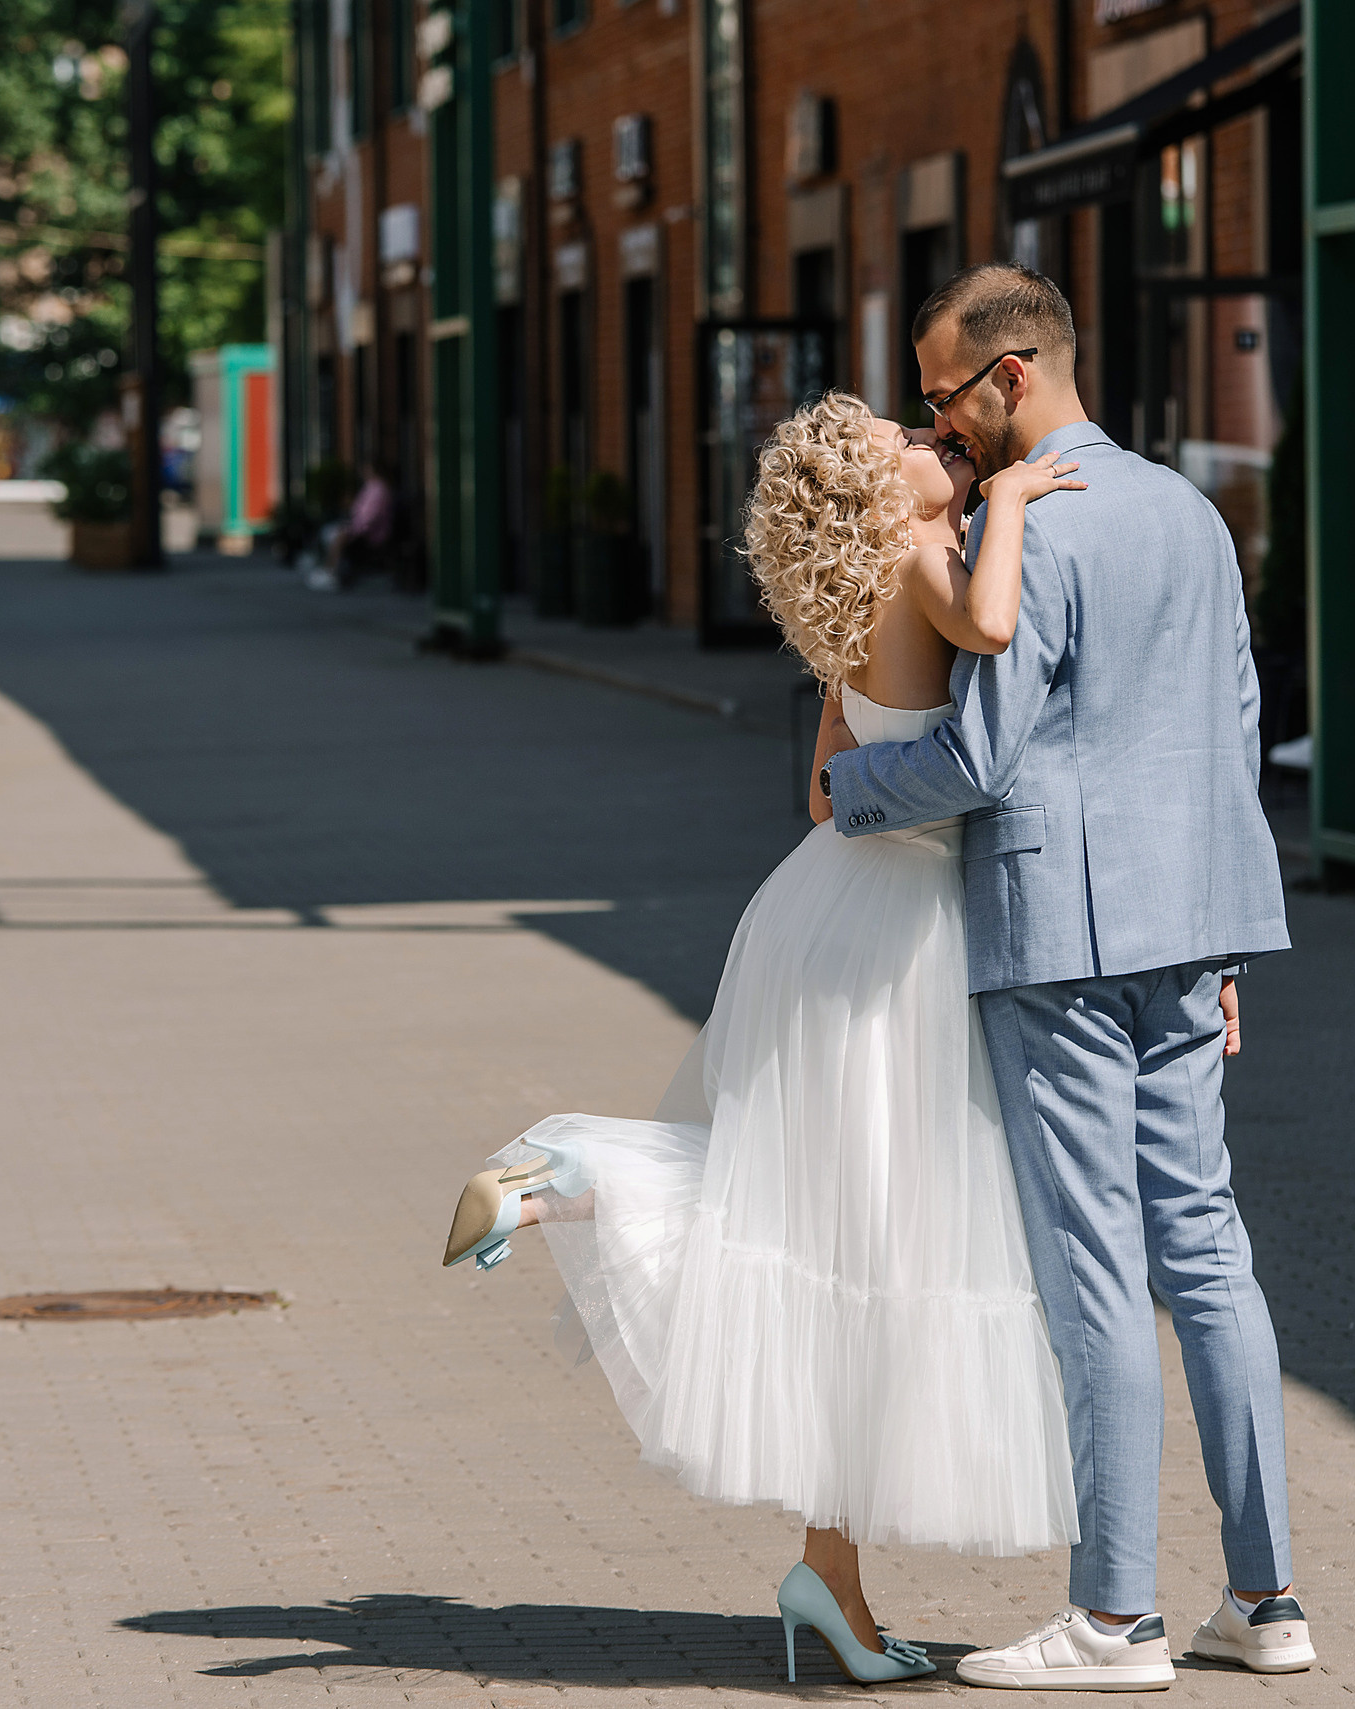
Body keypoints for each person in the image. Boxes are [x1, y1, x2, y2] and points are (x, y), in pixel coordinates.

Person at [439, 391, 1087, 1685]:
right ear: (877, 496)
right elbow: (997, 628)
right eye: (913, 443)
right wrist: (1010, 503)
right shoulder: (928, 559)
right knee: (870, 1234)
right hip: (899, 935)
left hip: (828, 911)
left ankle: (829, 1578)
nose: (938, 444)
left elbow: (821, 789)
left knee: (829, 1232)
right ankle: (570, 1168)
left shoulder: (855, 601)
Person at [821, 261, 1309, 1691]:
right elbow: (1235, 731)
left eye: (943, 396)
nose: (938, 425)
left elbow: (978, 759)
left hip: (1059, 937)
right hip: (1183, 931)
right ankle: (1267, 1599)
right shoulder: (1195, 516)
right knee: (1208, 1253)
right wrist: (1224, 937)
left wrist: (852, 782)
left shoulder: (1039, 531)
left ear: (1014, 372)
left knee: (1095, 1270)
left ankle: (1114, 1620)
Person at [328, 460, 395, 588]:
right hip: (362, 527)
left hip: (372, 532)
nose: (364, 472)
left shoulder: (379, 489)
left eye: (366, 469)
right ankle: (331, 570)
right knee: (336, 532)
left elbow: (371, 517)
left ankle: (332, 572)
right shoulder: (370, 486)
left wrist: (355, 529)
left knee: (340, 536)